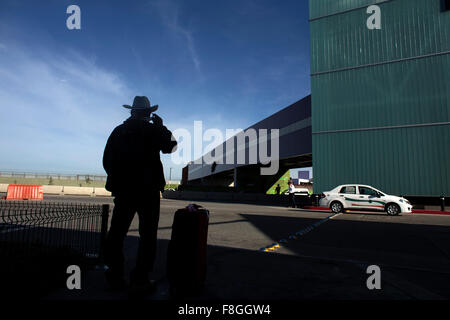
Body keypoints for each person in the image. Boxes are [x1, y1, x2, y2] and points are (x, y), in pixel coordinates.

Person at [102, 96, 177, 295]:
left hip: (124, 191)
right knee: (148, 237)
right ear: (148, 114)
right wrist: (162, 127)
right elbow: (172, 147)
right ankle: (140, 279)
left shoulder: (118, 131)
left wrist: (118, 182)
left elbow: (107, 160)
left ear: (131, 112)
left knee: (116, 234)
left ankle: (115, 277)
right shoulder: (153, 131)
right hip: (148, 192)